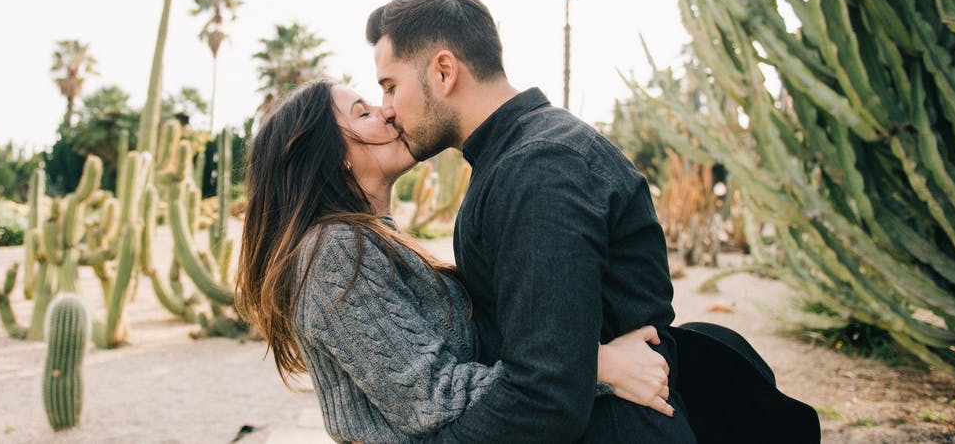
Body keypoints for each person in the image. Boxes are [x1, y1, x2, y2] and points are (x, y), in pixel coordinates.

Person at [236, 79, 676, 444]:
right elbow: (430, 396)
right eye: (363, 112)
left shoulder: (368, 242)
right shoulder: (334, 252)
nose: (387, 111)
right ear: (335, 159)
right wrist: (596, 365)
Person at [365, 0, 697, 442]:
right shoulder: (515, 158)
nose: (385, 109)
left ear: (443, 71)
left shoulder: (539, 169)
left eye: (390, 86)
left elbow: (544, 395)